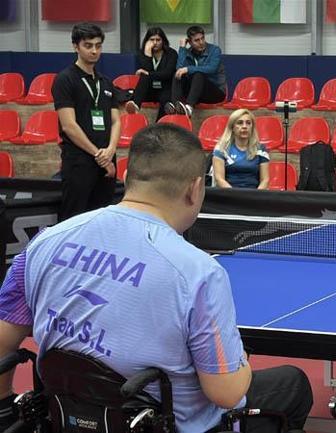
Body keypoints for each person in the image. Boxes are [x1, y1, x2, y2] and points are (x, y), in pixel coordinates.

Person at [0, 123, 313, 433]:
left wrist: (5, 409)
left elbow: (3, 342)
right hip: (163, 424)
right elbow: (226, 393)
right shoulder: (199, 273)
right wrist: (240, 360)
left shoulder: (43, 243)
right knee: (293, 384)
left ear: (126, 177)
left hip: (66, 418)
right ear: (195, 188)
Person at [53, 22, 120, 221]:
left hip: (106, 160)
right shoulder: (65, 79)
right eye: (88, 45)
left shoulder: (105, 82)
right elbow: (69, 126)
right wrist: (98, 155)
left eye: (98, 46)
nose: (94, 51)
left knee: (101, 219)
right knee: (74, 219)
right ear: (76, 46)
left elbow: (116, 121)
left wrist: (110, 150)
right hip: (80, 161)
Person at [165, 26, 226, 117]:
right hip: (195, 93)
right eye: (197, 40)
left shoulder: (214, 50)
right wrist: (182, 48)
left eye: (202, 38)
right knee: (177, 74)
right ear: (190, 42)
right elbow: (179, 69)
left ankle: (189, 108)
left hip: (215, 92)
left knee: (198, 74)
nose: (201, 42)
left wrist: (188, 69)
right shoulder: (187, 52)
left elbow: (211, 68)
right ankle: (175, 107)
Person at [125, 27, 178, 121]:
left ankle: (159, 124)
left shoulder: (171, 53)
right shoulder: (143, 53)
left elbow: (168, 73)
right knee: (144, 76)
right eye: (152, 40)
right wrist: (148, 55)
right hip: (149, 89)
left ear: (163, 40)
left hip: (165, 88)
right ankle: (135, 105)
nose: (155, 43)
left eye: (158, 40)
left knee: (166, 99)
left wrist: (149, 74)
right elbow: (147, 70)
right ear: (147, 41)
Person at [212, 109, 270, 189]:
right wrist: (236, 195)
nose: (244, 126)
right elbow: (219, 179)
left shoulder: (261, 149)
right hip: (229, 193)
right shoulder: (221, 148)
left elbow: (265, 180)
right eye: (240, 123)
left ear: (252, 127)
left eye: (248, 123)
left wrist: (256, 195)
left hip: (254, 194)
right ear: (232, 127)